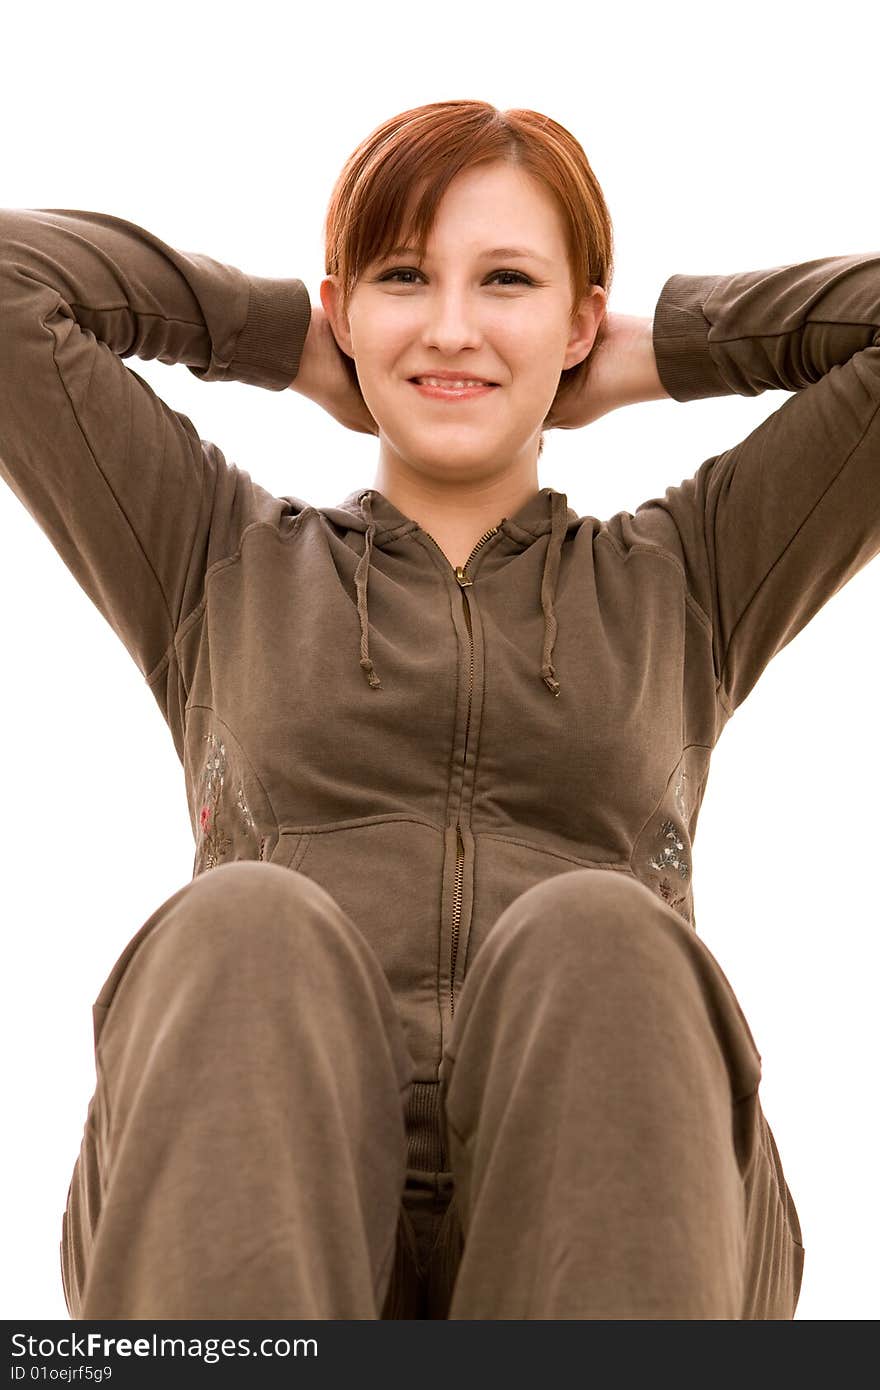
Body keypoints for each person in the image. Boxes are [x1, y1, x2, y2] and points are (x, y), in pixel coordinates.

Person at [2, 97, 875, 1321]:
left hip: (616, 1197)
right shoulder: (217, 552)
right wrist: (285, 342)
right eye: (403, 276)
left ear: (580, 318)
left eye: (507, 280)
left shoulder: (689, 573)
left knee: (601, 931)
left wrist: (658, 357)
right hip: (255, 1187)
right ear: (342, 304)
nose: (452, 326)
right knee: (244, 922)